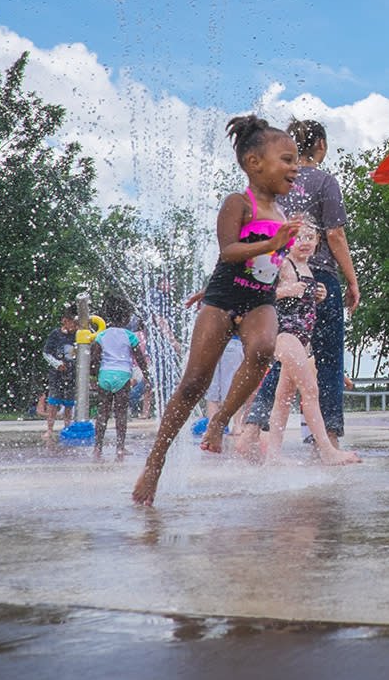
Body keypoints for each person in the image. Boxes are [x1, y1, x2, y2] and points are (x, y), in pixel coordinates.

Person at [132, 114, 304, 505]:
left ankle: (220, 422)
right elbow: (229, 252)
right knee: (194, 383)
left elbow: (268, 268)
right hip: (224, 298)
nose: (295, 167)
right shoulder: (238, 203)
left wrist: (281, 252)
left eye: (296, 160)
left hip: (260, 299)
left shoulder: (281, 215)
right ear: (254, 163)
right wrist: (271, 243)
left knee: (262, 349)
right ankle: (155, 462)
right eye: (287, 159)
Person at [263, 220, 360, 466]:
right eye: (298, 237)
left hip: (301, 340)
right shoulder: (284, 265)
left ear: (318, 242)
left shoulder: (308, 270)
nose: (304, 242)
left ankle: (273, 456)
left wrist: (320, 295)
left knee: (283, 397)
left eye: (310, 237)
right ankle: (327, 450)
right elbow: (264, 293)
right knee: (310, 390)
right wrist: (287, 290)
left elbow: (304, 304)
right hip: (285, 335)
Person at [91, 295, 148, 461]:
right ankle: (120, 448)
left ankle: (97, 448)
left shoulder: (101, 336)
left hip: (105, 376)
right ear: (125, 317)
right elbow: (140, 358)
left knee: (102, 413)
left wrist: (95, 376)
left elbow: (95, 359)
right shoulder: (130, 336)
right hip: (123, 376)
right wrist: (147, 375)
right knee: (121, 413)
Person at [42, 306, 79, 440]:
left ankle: (67, 427)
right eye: (73, 323)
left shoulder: (78, 335)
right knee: (53, 401)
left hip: (72, 373)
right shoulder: (56, 334)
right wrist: (57, 364)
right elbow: (46, 353)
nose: (74, 326)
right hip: (56, 374)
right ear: (64, 320)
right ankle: (50, 429)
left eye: (77, 324)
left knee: (69, 403)